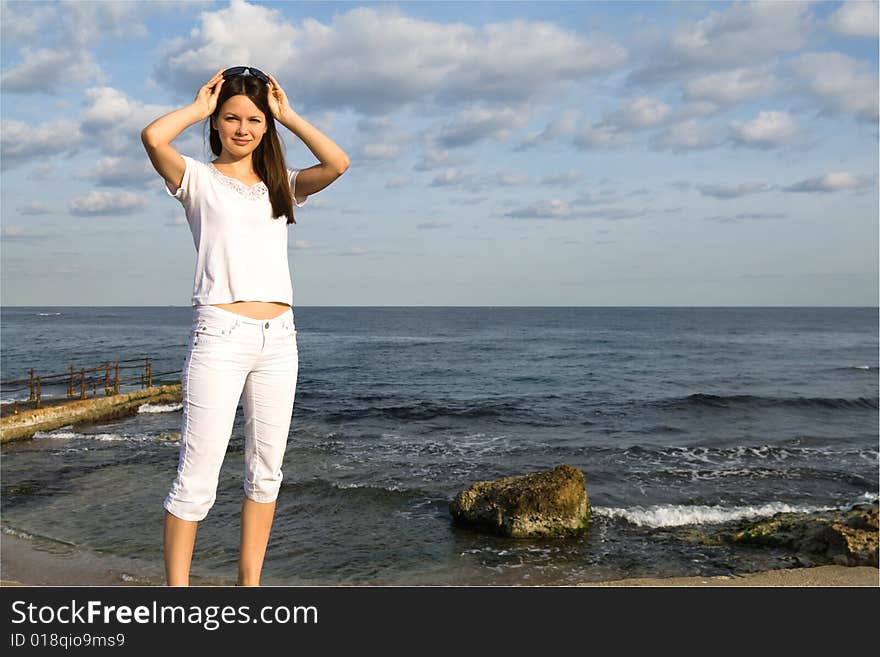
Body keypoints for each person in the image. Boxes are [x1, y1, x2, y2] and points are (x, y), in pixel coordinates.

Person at [141, 66, 349, 586]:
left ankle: (248, 588)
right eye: (231, 117)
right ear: (215, 123)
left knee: (266, 473)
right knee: (197, 479)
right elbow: (152, 136)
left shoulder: (281, 187)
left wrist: (287, 114)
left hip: (280, 340)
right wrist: (199, 105)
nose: (242, 128)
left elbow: (338, 162)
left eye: (253, 119)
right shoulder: (196, 179)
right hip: (220, 336)